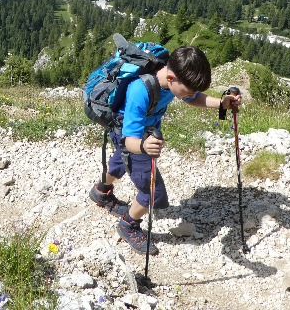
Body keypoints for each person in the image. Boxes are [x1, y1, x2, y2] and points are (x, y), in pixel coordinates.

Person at [88, 45, 242, 255]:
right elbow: (128, 141)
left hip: (142, 132)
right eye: (188, 89)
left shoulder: (171, 81)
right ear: (171, 78)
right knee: (153, 192)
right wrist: (143, 146)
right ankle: (128, 224)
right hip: (134, 136)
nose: (190, 94)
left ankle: (100, 192)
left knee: (119, 162)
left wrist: (221, 104)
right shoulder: (139, 91)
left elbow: (192, 97)